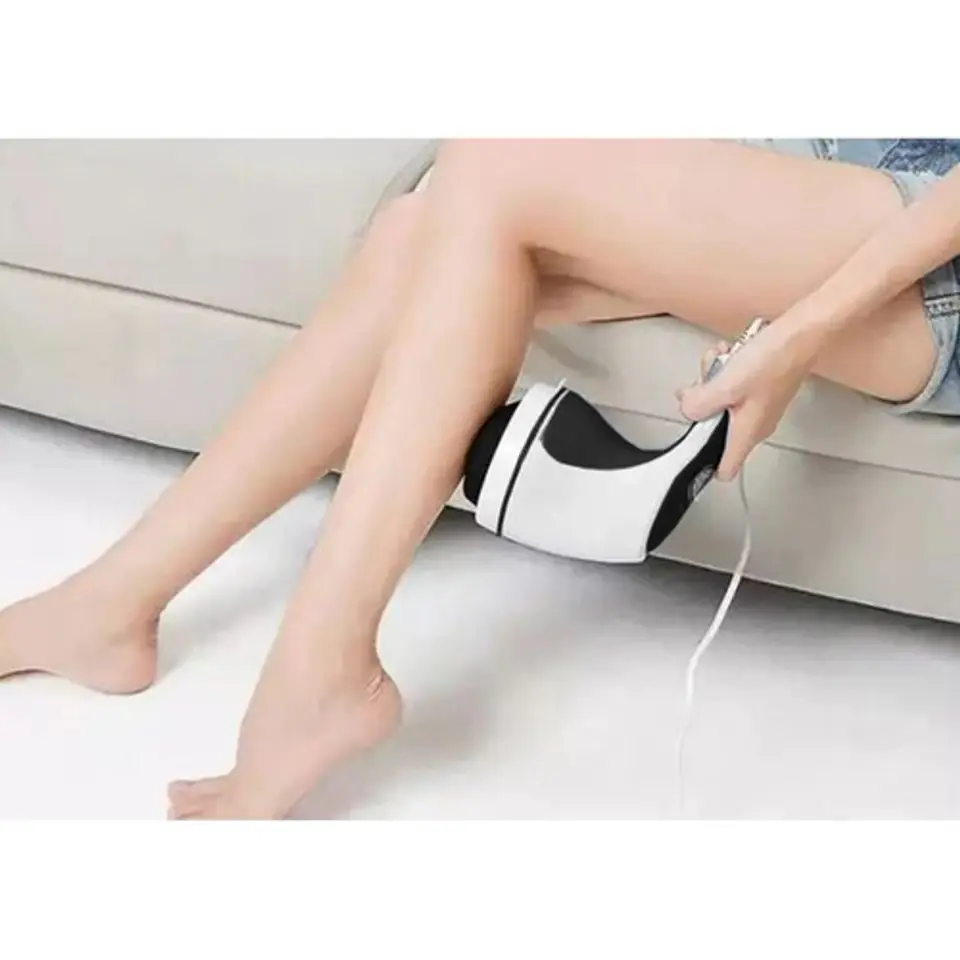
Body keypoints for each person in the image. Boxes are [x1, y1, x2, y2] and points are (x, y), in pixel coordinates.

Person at [2, 139, 959, 819]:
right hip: (867, 154)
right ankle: (112, 603)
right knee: (423, 226)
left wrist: (796, 334)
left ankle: (320, 674)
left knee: (494, 169)